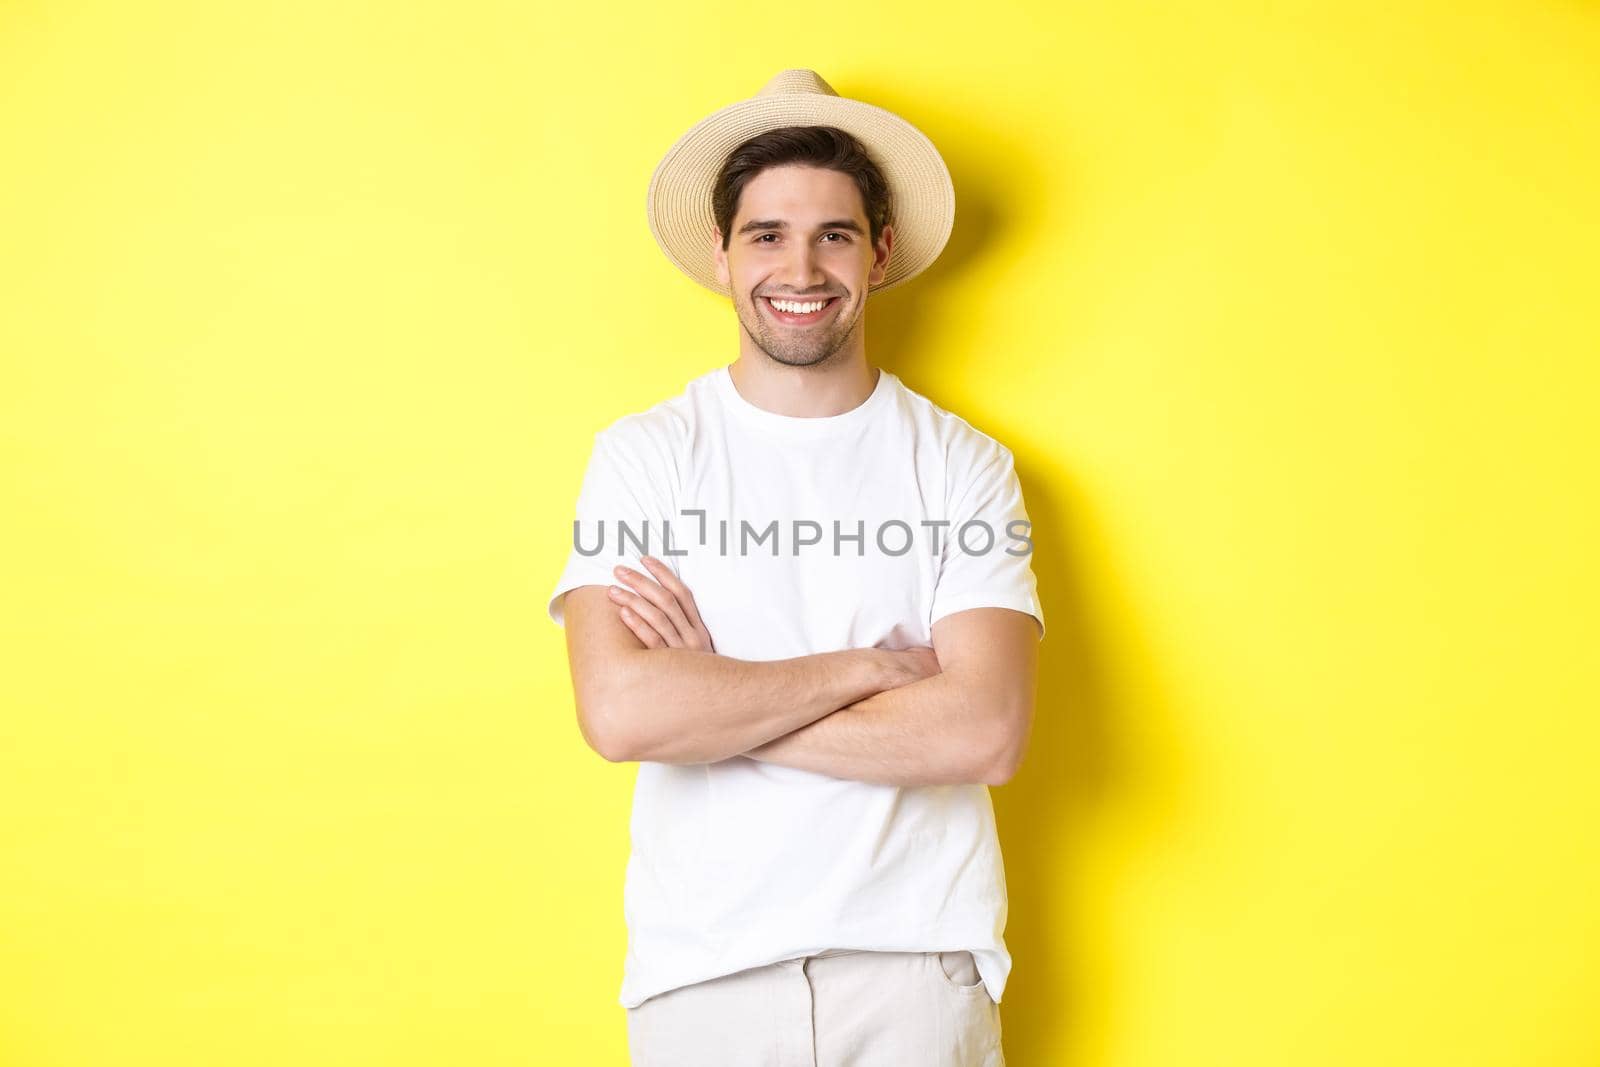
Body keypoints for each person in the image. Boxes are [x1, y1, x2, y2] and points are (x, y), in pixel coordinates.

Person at [547, 69, 1044, 1067]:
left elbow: (985, 729)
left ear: (880, 253)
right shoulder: (645, 454)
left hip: (915, 969)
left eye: (834, 233)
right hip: (704, 976)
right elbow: (622, 715)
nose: (800, 268)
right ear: (723, 257)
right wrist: (868, 668)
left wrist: (716, 698)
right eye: (767, 234)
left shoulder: (962, 464)